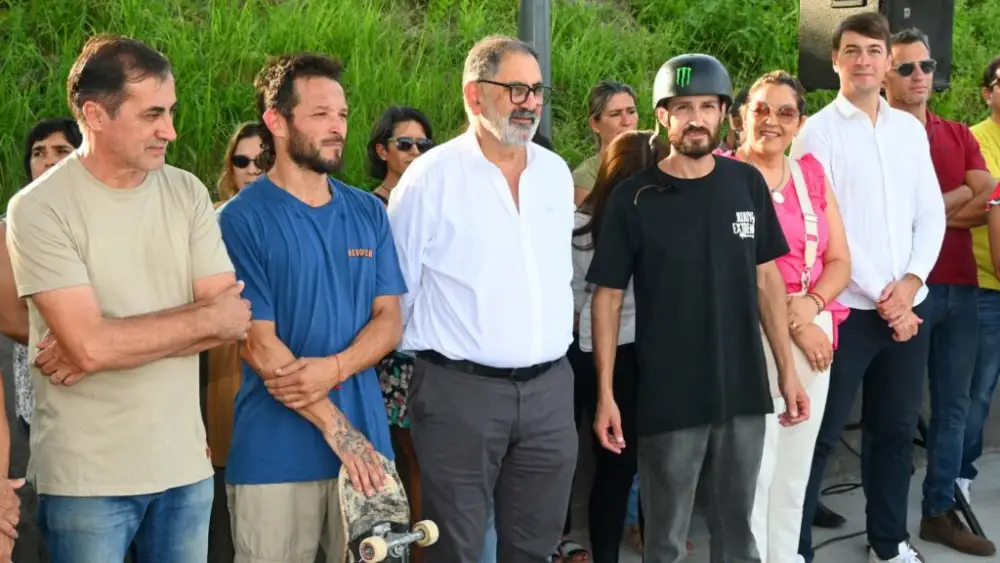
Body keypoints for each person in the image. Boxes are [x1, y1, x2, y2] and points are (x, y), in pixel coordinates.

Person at [5, 34, 252, 562]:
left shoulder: (185, 192)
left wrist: (106, 339)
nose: (171, 130)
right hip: (86, 480)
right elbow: (94, 346)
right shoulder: (38, 209)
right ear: (95, 114)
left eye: (171, 111)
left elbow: (232, 319)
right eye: (153, 115)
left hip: (185, 470)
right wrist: (189, 321)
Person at [587, 53, 808, 563]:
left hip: (744, 388)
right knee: (664, 538)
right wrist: (605, 393)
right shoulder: (633, 198)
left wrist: (786, 372)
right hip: (669, 394)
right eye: (681, 107)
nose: (695, 118)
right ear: (662, 117)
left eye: (707, 106)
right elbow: (607, 296)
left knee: (738, 535)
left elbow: (766, 278)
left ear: (724, 114)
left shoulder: (746, 184)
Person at [387, 35, 578, 563]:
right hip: (459, 394)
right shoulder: (430, 179)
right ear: (475, 96)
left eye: (537, 89)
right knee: (457, 548)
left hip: (550, 393)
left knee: (536, 546)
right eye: (517, 89)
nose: (531, 102)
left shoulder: (554, 174)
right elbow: (395, 290)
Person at [218, 52, 407, 563]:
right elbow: (259, 343)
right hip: (275, 460)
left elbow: (390, 320)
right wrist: (337, 428)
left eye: (342, 115)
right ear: (276, 121)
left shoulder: (368, 211)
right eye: (321, 114)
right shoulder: (240, 220)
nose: (337, 128)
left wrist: (336, 368)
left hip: (370, 460)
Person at [789, 13, 946, 563]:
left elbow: (930, 214)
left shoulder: (909, 130)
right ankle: (796, 548)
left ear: (886, 62)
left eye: (873, 51)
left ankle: (889, 541)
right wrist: (887, 297)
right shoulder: (816, 133)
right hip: (845, 312)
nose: (863, 60)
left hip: (905, 307)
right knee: (821, 438)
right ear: (834, 59)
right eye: (851, 50)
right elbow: (824, 230)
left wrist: (910, 283)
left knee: (896, 432)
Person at [883, 28, 998, 556]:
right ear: (885, 72)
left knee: (955, 407)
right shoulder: (876, 134)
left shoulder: (957, 132)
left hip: (964, 288)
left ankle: (938, 510)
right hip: (906, 292)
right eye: (906, 68)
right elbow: (884, 220)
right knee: (901, 414)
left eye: (926, 67)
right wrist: (948, 209)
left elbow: (986, 196)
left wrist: (926, 213)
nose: (919, 77)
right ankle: (885, 526)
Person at [730, 70, 851, 563]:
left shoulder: (812, 175)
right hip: (747, 332)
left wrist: (813, 308)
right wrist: (796, 322)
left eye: (785, 112)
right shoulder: (721, 176)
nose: (772, 121)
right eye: (761, 109)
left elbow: (840, 261)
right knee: (754, 467)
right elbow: (724, 269)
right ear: (741, 117)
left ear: (800, 122)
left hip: (812, 327)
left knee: (795, 466)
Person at [571, 129, 663, 563]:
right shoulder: (649, 221)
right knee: (643, 463)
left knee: (615, 467)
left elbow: (573, 299)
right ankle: (645, 543)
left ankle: (610, 552)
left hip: (594, 353)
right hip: (627, 353)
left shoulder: (580, 225)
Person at [0, 117, 83, 563]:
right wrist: (79, 339)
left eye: (61, 151)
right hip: (31, 395)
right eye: (38, 153)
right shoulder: (8, 226)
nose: (48, 161)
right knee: (30, 516)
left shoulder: (102, 224)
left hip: (100, 401)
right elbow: (10, 315)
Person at [203, 120, 265, 563]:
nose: (251, 168)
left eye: (261, 160)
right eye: (241, 160)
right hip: (223, 362)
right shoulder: (209, 220)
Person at [965, 55, 1000, 505]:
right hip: (986, 289)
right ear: (988, 92)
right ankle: (958, 475)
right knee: (977, 389)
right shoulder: (976, 142)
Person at [572, 80, 639, 205]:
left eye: (631, 111)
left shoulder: (654, 165)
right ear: (594, 124)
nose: (626, 121)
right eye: (615, 114)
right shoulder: (586, 177)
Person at [368, 106, 435, 205]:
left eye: (422, 144)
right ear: (382, 151)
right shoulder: (369, 208)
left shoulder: (435, 202)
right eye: (405, 143)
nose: (415, 151)